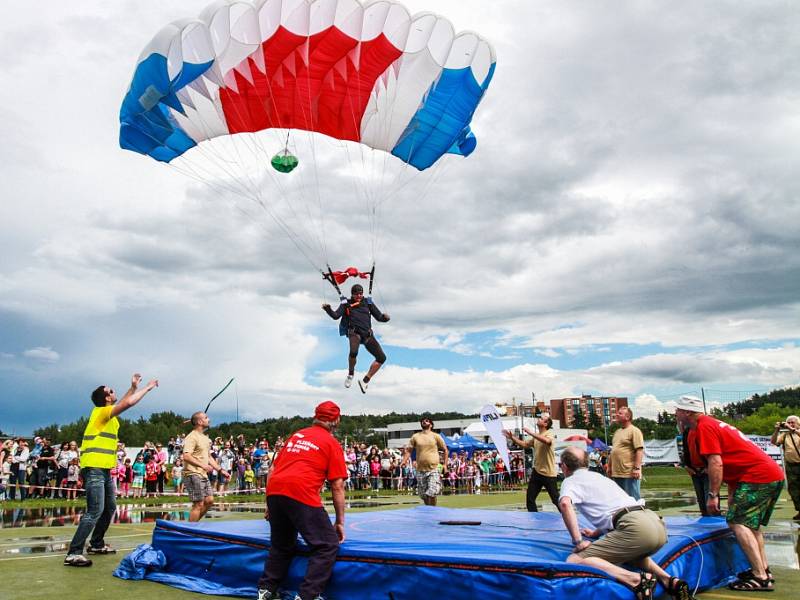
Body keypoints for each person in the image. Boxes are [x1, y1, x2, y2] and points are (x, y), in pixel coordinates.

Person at [674, 394, 785, 591]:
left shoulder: (704, 426)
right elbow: (735, 459)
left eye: (678, 410)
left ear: (688, 412)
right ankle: (763, 570)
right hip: (766, 474)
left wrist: (713, 495)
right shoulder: (711, 424)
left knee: (737, 521)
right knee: (751, 525)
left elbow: (716, 462)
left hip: (758, 476)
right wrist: (732, 491)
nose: (675, 413)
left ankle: (760, 576)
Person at [558, 447, 691, 600]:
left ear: (564, 467)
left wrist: (578, 541)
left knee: (575, 560)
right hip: (654, 523)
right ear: (586, 463)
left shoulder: (570, 481)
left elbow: (565, 505)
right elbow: (615, 506)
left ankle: (636, 580)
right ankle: (669, 580)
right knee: (631, 553)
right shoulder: (599, 477)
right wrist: (596, 533)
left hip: (636, 527)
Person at [64, 373, 159, 567]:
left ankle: (96, 544)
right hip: (95, 468)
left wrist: (132, 387)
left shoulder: (109, 416)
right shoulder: (99, 412)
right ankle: (73, 553)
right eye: (111, 391)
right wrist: (147, 388)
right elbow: (127, 404)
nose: (114, 392)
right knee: (94, 510)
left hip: (105, 470)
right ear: (106, 398)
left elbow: (123, 402)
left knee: (109, 508)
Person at [257, 401, 348, 600]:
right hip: (301, 491)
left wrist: (269, 504)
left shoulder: (297, 435)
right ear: (336, 420)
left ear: (316, 416)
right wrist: (340, 522)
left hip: (276, 491)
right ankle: (308, 595)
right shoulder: (331, 443)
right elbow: (337, 485)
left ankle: (266, 589)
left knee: (281, 544)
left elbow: (273, 470)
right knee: (326, 545)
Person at [322, 283, 390, 393]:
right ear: (352, 294)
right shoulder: (346, 304)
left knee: (382, 358)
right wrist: (328, 309)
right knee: (353, 352)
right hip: (354, 333)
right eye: (356, 294)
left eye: (361, 294)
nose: (359, 296)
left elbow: (379, 317)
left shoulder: (368, 302)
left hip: (367, 334)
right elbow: (336, 316)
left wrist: (385, 318)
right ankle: (350, 374)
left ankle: (365, 381)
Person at [504, 414, 560, 512]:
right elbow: (524, 444)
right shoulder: (536, 437)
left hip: (549, 473)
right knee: (530, 499)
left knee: (556, 500)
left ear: (545, 424)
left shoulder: (549, 433)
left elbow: (547, 441)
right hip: (537, 472)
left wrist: (530, 433)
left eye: (541, 419)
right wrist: (512, 437)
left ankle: (568, 516)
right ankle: (535, 520)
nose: (539, 419)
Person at [182, 411, 229, 522]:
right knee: (198, 503)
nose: (209, 419)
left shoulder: (205, 438)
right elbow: (186, 456)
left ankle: (193, 524)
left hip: (202, 474)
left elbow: (208, 457)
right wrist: (203, 465)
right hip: (192, 473)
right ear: (199, 421)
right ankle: (191, 531)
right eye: (206, 417)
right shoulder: (191, 437)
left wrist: (220, 469)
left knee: (209, 501)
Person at [401, 417, 448, 506]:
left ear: (431, 424)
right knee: (423, 495)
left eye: (426, 421)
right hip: (420, 469)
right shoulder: (415, 436)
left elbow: (445, 450)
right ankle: (428, 511)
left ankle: (433, 510)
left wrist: (445, 465)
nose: (424, 422)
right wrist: (404, 461)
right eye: (422, 421)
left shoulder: (436, 436)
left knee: (432, 492)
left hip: (433, 468)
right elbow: (409, 450)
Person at [678, 401, 709, 516]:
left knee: (709, 499)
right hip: (694, 470)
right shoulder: (687, 432)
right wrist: (686, 466)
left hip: (706, 470)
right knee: (701, 499)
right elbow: (686, 451)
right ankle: (704, 517)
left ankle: (714, 524)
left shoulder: (703, 429)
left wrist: (708, 467)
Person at [609, 407, 644, 500]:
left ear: (627, 417)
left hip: (629, 473)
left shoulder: (634, 431)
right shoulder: (617, 432)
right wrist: (609, 467)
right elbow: (614, 451)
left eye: (620, 413)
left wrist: (637, 468)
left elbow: (639, 450)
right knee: (620, 502)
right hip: (617, 473)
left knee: (633, 502)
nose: (617, 415)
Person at [771, 414, 800, 521]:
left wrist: (792, 429)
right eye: (789, 422)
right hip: (791, 465)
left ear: (798, 424)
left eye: (793, 422)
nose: (790, 424)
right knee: (793, 489)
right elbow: (774, 442)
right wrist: (776, 430)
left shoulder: (798, 432)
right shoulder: (785, 435)